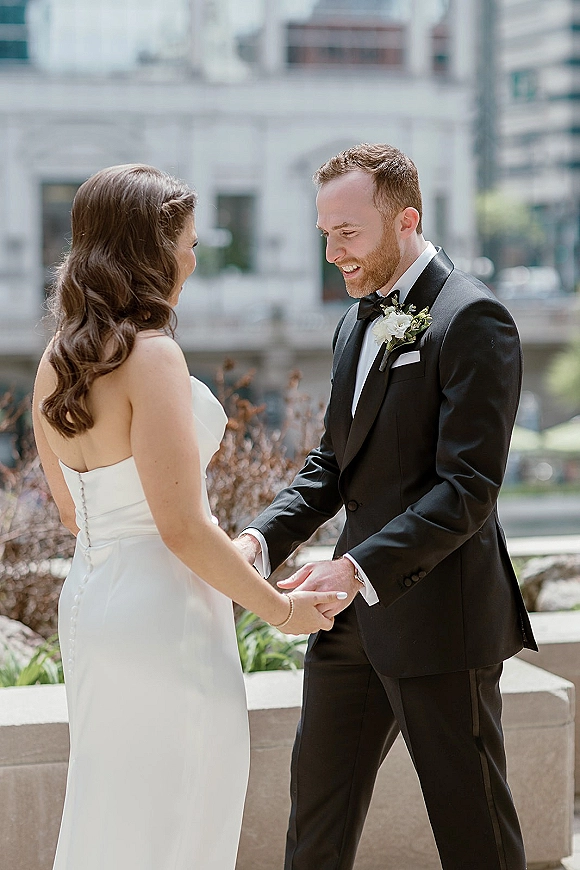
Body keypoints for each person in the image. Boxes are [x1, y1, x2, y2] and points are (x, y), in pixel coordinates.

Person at [32, 164, 344, 870]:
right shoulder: (153, 356)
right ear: (152, 250)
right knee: (184, 814)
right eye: (190, 243)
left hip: (90, 602)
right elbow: (179, 526)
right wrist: (280, 611)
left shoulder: (57, 361)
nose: (193, 260)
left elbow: (73, 513)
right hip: (164, 614)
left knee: (113, 809)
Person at [234, 143, 537, 870]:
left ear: (406, 220)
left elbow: (468, 490)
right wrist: (258, 542)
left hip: (441, 621)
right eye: (326, 235)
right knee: (316, 825)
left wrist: (354, 569)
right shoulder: (355, 321)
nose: (334, 253)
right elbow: (333, 464)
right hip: (349, 627)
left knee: (476, 836)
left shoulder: (475, 319)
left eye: (349, 235)